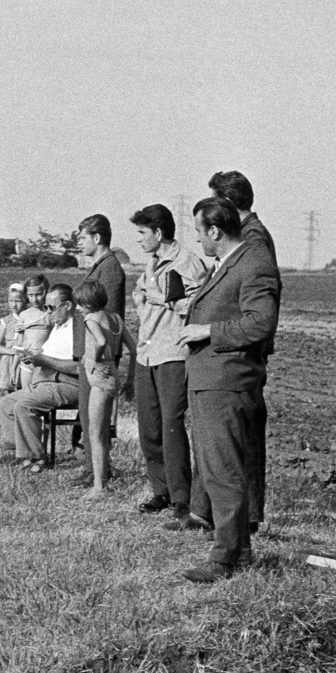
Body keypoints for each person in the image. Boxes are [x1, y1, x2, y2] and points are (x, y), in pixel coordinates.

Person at [173, 198, 280, 582]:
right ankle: (240, 550)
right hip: (212, 381)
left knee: (223, 471)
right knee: (222, 468)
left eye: (200, 232)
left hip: (226, 382)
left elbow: (260, 323)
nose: (199, 241)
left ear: (215, 231)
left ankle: (224, 558)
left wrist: (208, 331)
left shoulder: (253, 262)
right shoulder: (231, 264)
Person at [130, 204, 210, 517]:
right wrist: (148, 297)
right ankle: (160, 490)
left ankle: (181, 498)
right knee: (149, 429)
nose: (138, 239)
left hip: (172, 354)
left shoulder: (187, 263)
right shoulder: (150, 263)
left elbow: (197, 307)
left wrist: (162, 298)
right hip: (146, 353)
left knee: (171, 426)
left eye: (142, 233)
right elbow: (142, 298)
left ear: (158, 233)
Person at [209, 170, 278, 528]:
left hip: (243, 350)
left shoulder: (253, 240)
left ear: (231, 205)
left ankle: (247, 518)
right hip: (239, 343)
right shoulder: (253, 235)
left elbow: (257, 304)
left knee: (244, 441)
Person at [0, 283, 80, 473]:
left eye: (52, 308)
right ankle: (24, 453)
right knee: (6, 403)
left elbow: (79, 368)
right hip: (46, 381)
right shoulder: (59, 327)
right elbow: (47, 356)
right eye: (47, 308)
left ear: (67, 306)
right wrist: (33, 357)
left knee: (24, 406)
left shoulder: (77, 329)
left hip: (66, 383)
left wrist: (43, 360)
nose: (48, 312)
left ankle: (37, 457)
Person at [72, 214, 128, 484]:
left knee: (94, 419)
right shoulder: (101, 267)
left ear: (97, 238)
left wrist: (100, 358)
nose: (80, 242)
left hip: (98, 358)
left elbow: (109, 318)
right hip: (91, 355)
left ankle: (96, 474)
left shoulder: (110, 269)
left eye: (83, 237)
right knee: (88, 416)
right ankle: (92, 471)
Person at [75, 280, 132, 499]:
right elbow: (133, 349)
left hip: (99, 377)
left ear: (89, 302)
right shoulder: (115, 318)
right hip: (113, 376)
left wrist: (93, 360)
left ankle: (100, 487)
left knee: (94, 433)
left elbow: (99, 341)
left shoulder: (91, 318)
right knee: (103, 432)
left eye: (80, 304)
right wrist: (129, 379)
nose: (78, 309)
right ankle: (103, 479)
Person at [0, 282, 28, 393]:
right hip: (9, 362)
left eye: (18, 301)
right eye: (11, 301)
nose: (14, 305)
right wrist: (10, 351)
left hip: (24, 361)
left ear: (25, 300)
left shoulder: (30, 318)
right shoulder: (6, 321)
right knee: (10, 394)